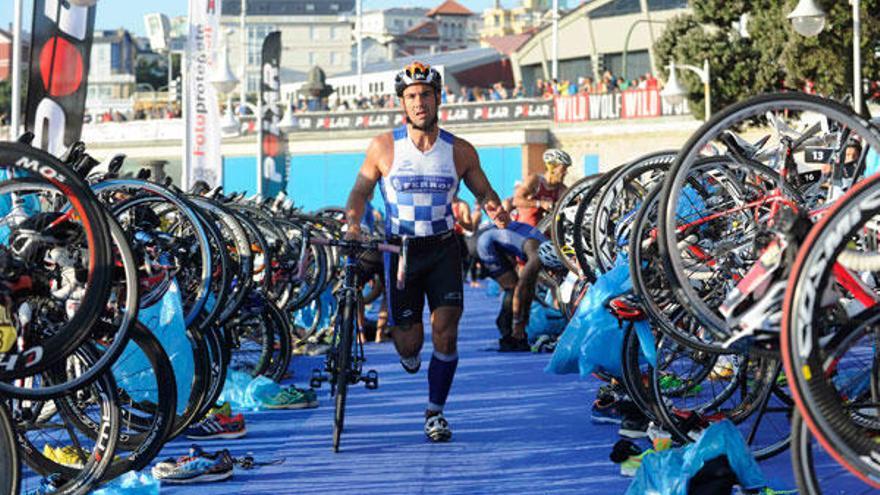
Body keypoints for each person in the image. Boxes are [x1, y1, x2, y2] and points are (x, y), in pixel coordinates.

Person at [343, 61, 510, 443]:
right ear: (403, 104)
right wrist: (354, 222)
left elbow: (484, 192)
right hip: (399, 250)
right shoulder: (384, 146)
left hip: (443, 249)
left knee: (446, 335)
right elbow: (360, 192)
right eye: (412, 97)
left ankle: (435, 412)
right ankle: (410, 352)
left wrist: (494, 207)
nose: (419, 103)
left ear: (438, 100)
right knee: (409, 341)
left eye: (426, 96)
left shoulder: (460, 150)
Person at [476, 222, 557, 352]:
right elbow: (522, 289)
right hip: (485, 245)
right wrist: (519, 322)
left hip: (504, 239)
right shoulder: (536, 259)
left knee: (524, 287)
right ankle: (510, 335)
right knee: (513, 287)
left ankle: (514, 333)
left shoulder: (540, 250)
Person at [513, 149, 572, 227]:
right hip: (526, 229)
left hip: (545, 232)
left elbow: (574, 197)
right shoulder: (535, 180)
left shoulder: (561, 188)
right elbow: (516, 201)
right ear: (552, 168)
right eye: (563, 169)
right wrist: (540, 203)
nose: (566, 173)